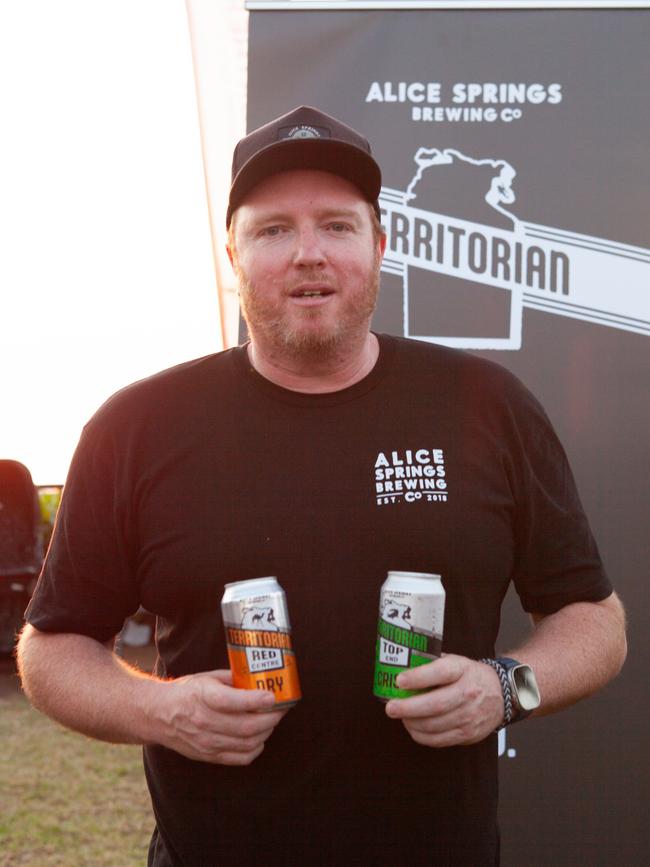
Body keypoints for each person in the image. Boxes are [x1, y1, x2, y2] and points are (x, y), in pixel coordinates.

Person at [17, 106, 626, 867]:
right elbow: (50, 646)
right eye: (273, 230)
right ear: (231, 253)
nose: (309, 253)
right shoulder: (136, 424)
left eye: (337, 225)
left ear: (378, 246)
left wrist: (508, 689)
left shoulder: (488, 406)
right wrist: (160, 708)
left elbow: (595, 621)